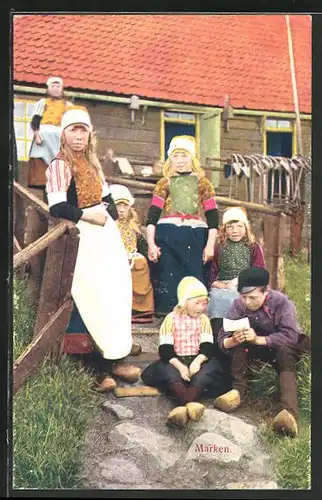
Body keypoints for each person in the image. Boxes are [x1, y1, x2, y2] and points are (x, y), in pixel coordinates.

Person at [45, 107, 140, 391]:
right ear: (63, 134)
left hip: (105, 236)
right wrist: (89, 214)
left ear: (90, 134)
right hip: (81, 234)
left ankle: (116, 357)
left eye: (82, 130)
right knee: (92, 296)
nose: (78, 136)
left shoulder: (93, 163)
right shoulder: (59, 165)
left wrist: (107, 210)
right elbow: (57, 206)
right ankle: (98, 370)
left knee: (117, 291)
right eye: (72, 129)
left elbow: (109, 197)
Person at [214, 267, 311, 438]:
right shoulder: (238, 305)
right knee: (239, 342)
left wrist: (257, 339)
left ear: (265, 291)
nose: (247, 302)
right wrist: (232, 340)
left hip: (284, 347)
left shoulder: (281, 302)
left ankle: (289, 414)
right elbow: (223, 335)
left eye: (252, 297)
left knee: (284, 350)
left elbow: (290, 336)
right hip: (258, 350)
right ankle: (237, 392)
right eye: (243, 297)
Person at [141, 276, 229, 428]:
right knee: (169, 373)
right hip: (176, 360)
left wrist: (198, 361)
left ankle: (182, 406)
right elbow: (166, 349)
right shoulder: (171, 319)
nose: (201, 308)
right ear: (184, 301)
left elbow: (207, 345)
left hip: (197, 359)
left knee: (205, 373)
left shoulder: (203, 320)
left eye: (204, 303)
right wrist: (181, 367)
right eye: (197, 303)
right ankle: (190, 402)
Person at [146, 136, 219, 316]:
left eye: (184, 156)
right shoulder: (164, 183)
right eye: (176, 156)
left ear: (192, 158)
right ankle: (168, 316)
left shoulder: (204, 184)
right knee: (168, 272)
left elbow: (213, 219)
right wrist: (151, 244)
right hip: (168, 234)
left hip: (195, 236)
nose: (179, 161)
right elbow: (152, 217)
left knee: (194, 273)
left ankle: (194, 314)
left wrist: (210, 245)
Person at [208, 206, 266, 339]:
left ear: (246, 228)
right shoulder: (219, 248)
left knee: (242, 299)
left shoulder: (253, 247)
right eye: (230, 227)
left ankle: (242, 336)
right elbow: (212, 272)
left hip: (246, 285)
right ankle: (219, 337)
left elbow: (258, 270)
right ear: (224, 230)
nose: (235, 231)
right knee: (218, 299)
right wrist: (220, 285)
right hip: (223, 286)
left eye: (239, 226)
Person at [110, 184, 154, 325]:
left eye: (125, 206)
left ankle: (139, 309)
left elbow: (141, 247)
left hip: (132, 258)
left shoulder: (134, 227)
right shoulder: (108, 226)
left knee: (141, 264)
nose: (122, 210)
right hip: (113, 257)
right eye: (118, 206)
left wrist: (141, 255)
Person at [28, 76, 74, 191]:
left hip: (59, 137)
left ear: (62, 89)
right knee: (40, 157)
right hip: (43, 137)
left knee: (60, 159)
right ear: (48, 89)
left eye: (58, 86)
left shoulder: (67, 105)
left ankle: (59, 178)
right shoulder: (43, 103)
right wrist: (37, 134)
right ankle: (41, 181)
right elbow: (35, 120)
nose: (55, 88)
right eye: (53, 86)